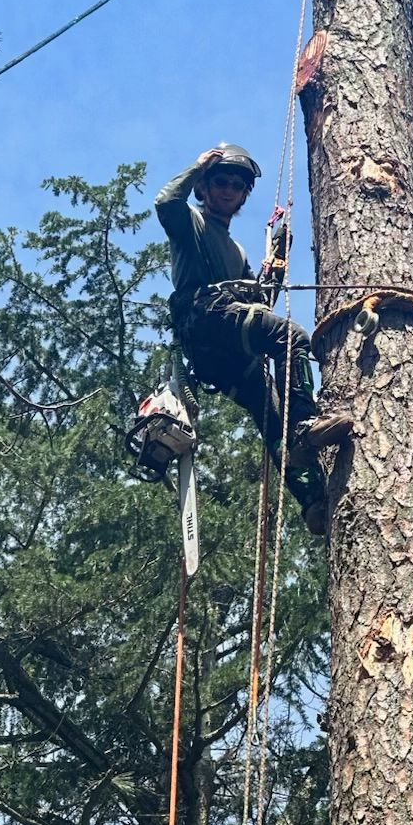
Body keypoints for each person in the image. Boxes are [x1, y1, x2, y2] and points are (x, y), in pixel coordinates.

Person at [155, 144, 351, 535]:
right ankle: (306, 425)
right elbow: (165, 203)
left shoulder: (237, 251)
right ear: (204, 189)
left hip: (226, 346)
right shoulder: (190, 225)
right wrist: (197, 166)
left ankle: (311, 501)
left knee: (270, 412)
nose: (228, 190)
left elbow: (259, 303)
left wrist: (273, 268)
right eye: (221, 182)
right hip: (205, 320)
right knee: (292, 339)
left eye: (237, 185)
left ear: (245, 195)